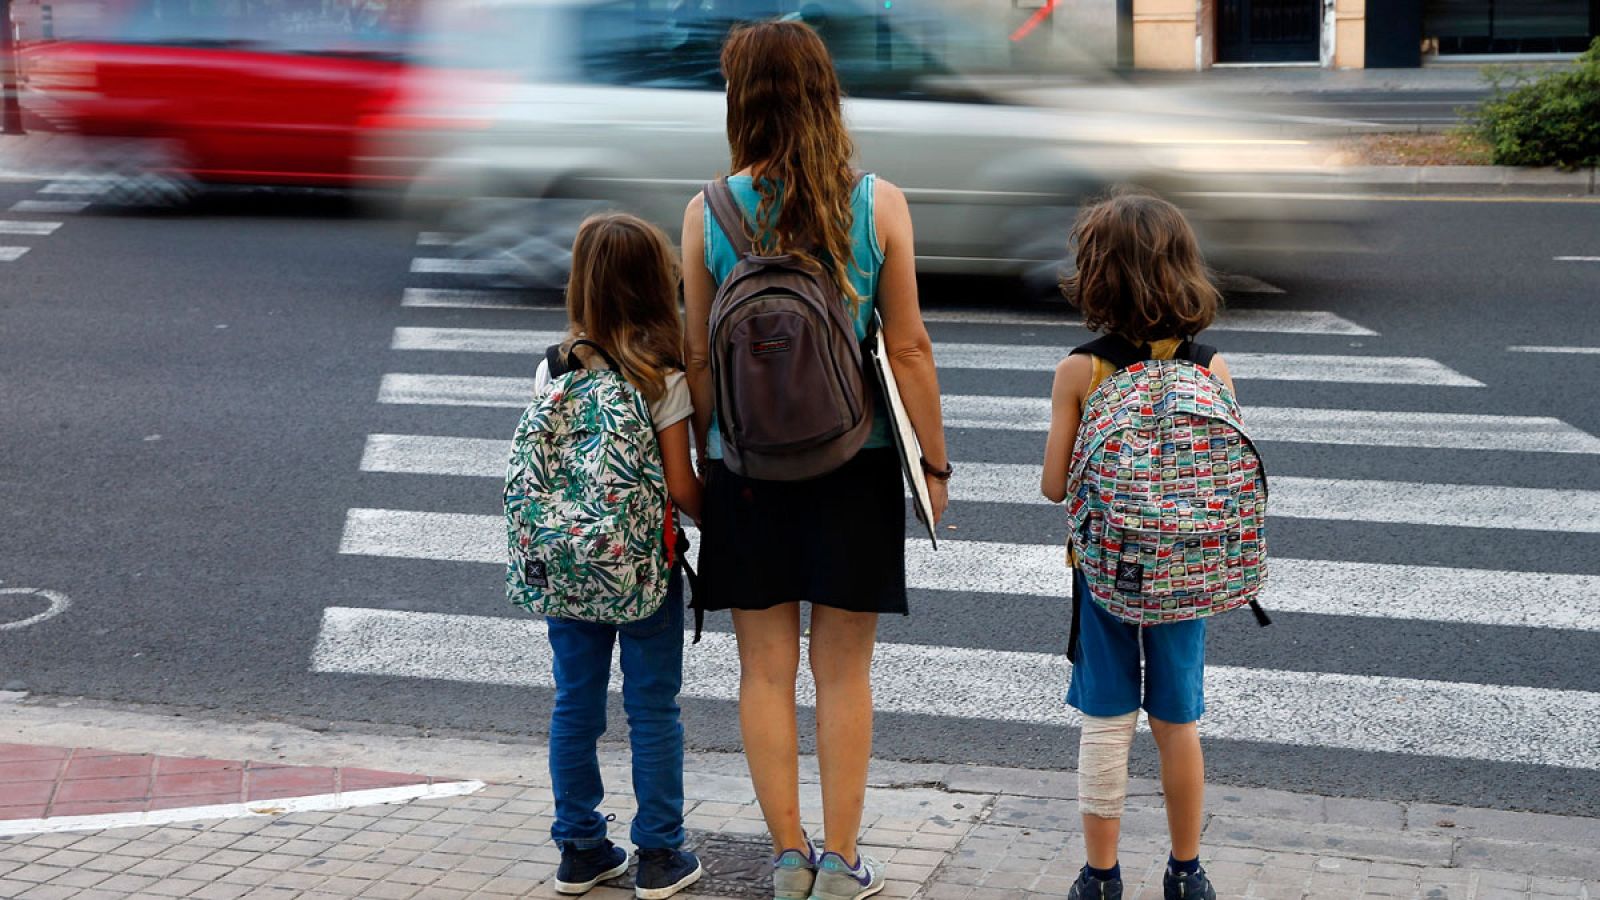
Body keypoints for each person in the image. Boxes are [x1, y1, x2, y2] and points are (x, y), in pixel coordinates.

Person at [680, 20, 949, 900]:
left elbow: (695, 358)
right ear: (825, 95)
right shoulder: (877, 204)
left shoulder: (707, 212)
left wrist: (717, 460)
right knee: (844, 670)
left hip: (748, 473)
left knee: (762, 669)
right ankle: (841, 860)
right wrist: (933, 470)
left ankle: (787, 858)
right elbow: (906, 349)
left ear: (740, 103)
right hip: (857, 461)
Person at [1040, 192, 1237, 900]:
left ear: (1096, 278)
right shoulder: (1211, 368)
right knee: (1177, 719)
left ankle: (1101, 877)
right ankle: (1187, 872)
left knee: (1106, 719)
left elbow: (1054, 485)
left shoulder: (1081, 370)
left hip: (1105, 575)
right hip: (1187, 571)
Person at [537, 213, 705, 900]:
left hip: (571, 565)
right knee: (652, 707)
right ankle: (660, 855)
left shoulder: (553, 364)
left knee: (575, 703)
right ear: (655, 283)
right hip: (643, 569)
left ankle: (579, 848)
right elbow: (682, 486)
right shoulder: (662, 373)